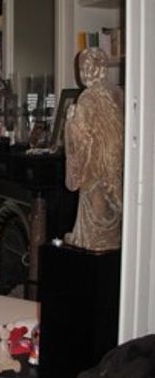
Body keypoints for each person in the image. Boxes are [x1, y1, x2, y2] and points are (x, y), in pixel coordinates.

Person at [64, 47, 124, 251]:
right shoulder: (117, 93)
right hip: (115, 162)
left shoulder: (87, 97)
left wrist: (70, 121)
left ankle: (90, 240)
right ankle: (110, 238)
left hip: (94, 163)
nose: (84, 73)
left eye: (86, 68)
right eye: (82, 68)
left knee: (94, 200)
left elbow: (81, 138)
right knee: (110, 202)